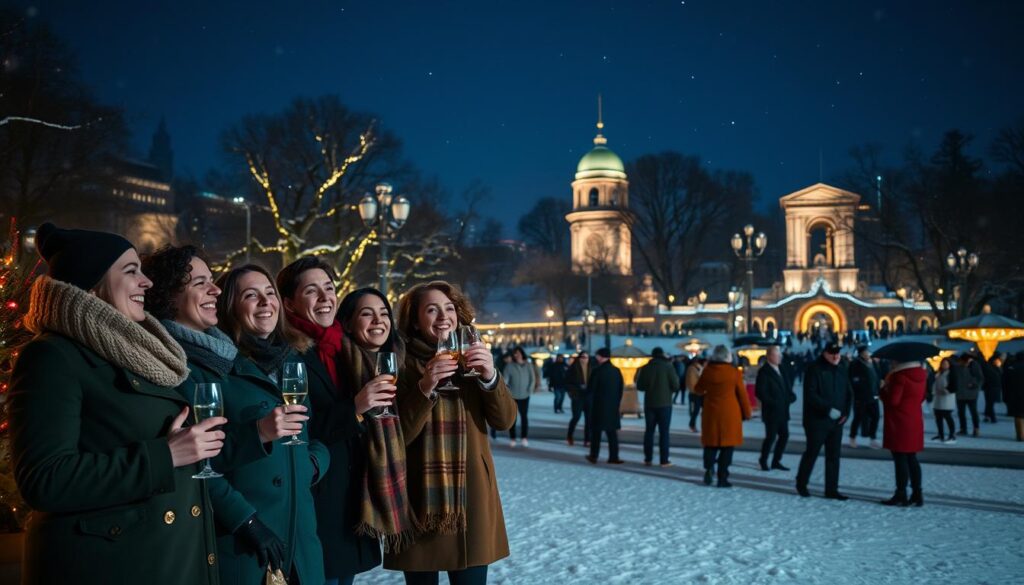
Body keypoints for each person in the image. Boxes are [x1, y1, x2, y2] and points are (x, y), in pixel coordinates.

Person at [9, 224, 223, 583]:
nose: (147, 282)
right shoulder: (51, 356)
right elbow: (44, 479)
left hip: (165, 559)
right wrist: (165, 456)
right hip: (111, 565)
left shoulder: (133, 353)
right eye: (130, 271)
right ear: (92, 284)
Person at [278, 258, 398, 584]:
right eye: (312, 291)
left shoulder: (341, 346)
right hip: (317, 502)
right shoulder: (285, 352)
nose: (325, 298)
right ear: (289, 302)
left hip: (348, 501)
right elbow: (297, 428)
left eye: (329, 289)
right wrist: (356, 407)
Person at [389, 281, 517, 585]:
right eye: (431, 310)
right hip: (421, 502)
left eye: (449, 308)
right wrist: (424, 387)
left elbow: (505, 420)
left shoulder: (472, 360)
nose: (443, 316)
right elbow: (397, 437)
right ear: (415, 321)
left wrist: (490, 377)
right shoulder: (401, 364)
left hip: (471, 499)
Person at [215, 265, 330, 585]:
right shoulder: (219, 368)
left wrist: (314, 464)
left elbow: (316, 433)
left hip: (301, 540)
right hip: (247, 543)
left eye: (270, 294)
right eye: (251, 295)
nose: (265, 302)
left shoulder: (294, 359)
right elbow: (202, 462)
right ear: (229, 306)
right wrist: (258, 433)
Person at [796, 343, 853, 500]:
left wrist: (846, 413)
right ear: (824, 353)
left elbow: (849, 393)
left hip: (837, 421)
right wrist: (828, 409)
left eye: (838, 353)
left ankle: (832, 489)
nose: (836, 356)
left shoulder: (842, 368)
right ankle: (801, 484)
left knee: (834, 456)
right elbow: (811, 394)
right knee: (812, 453)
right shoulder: (814, 369)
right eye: (832, 353)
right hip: (817, 421)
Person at [694, 345, 752, 487]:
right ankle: (722, 477)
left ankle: (708, 468)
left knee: (710, 444)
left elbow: (698, 389)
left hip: (711, 413)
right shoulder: (734, 373)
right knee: (727, 446)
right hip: (729, 413)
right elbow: (742, 395)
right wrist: (747, 413)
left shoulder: (707, 372)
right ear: (727, 357)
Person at [879, 360, 928, 506]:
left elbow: (893, 401)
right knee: (911, 457)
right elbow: (922, 398)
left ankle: (901, 493)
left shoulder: (899, 376)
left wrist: (883, 390)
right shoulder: (921, 375)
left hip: (899, 421)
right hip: (914, 420)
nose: (892, 364)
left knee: (900, 458)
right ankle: (917, 493)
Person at [636, 347, 680, 466]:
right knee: (664, 433)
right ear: (662, 354)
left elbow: (640, 386)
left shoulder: (646, 368)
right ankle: (664, 459)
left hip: (650, 403)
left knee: (649, 431)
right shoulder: (668, 367)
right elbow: (676, 385)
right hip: (665, 403)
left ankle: (648, 458)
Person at [755, 345, 796, 471]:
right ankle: (763, 460)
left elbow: (787, 386)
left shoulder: (782, 369)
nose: (780, 357)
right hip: (771, 411)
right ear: (770, 356)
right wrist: (772, 402)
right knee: (771, 437)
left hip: (783, 410)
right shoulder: (764, 371)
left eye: (780, 355)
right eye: (777, 355)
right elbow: (760, 392)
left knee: (784, 435)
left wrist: (791, 396)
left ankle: (776, 461)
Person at [586, 347, 625, 464]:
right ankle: (613, 456)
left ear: (601, 356)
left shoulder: (597, 371)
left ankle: (594, 455)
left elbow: (591, 390)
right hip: (612, 407)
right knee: (612, 434)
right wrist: (616, 402)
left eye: (597, 355)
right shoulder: (616, 371)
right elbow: (620, 389)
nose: (596, 357)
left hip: (598, 406)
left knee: (596, 433)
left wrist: (589, 404)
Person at [847, 346, 881, 448]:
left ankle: (873, 438)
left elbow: (878, 376)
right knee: (858, 418)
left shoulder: (873, 363)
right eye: (866, 352)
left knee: (876, 416)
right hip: (861, 397)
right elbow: (854, 379)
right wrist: (860, 387)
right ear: (861, 353)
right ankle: (852, 437)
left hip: (873, 395)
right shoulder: (856, 364)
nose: (868, 353)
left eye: (868, 351)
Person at [504, 346, 536, 447]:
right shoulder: (509, 366)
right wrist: (506, 390)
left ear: (522, 354)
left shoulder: (528, 365)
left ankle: (524, 438)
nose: (516, 355)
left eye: (518, 353)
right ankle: (513, 438)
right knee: (513, 418)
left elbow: (533, 379)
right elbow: (505, 380)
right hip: (513, 396)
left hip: (525, 395)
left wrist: (529, 390)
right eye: (514, 353)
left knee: (524, 417)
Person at [953, 353, 983, 437]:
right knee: (961, 412)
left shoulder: (974, 365)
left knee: (973, 412)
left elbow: (980, 378)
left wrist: (974, 385)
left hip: (971, 393)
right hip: (960, 393)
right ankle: (963, 429)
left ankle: (976, 429)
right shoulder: (957, 367)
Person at [566, 351, 591, 446]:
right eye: (582, 357)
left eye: (586, 357)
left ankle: (587, 439)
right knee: (576, 417)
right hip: (577, 396)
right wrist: (575, 390)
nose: (584, 359)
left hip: (588, 396)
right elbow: (567, 382)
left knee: (589, 419)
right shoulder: (573, 368)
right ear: (579, 358)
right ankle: (570, 436)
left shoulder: (592, 368)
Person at [931, 358, 958, 444]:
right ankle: (940, 435)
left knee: (947, 417)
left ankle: (952, 435)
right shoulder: (939, 373)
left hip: (947, 398)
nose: (944, 365)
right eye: (943, 363)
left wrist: (947, 390)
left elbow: (955, 385)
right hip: (938, 398)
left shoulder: (951, 373)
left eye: (946, 364)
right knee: (938, 417)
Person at [1002, 352, 1024, 441]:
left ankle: (1020, 435)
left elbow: (1005, 383)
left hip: (1015, 395)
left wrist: (1006, 397)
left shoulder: (1011, 368)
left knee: (1018, 416)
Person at [685, 357, 706, 432]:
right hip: (696, 393)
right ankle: (692, 425)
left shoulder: (695, 368)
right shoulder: (694, 369)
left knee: (697, 411)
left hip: (699, 392)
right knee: (695, 411)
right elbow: (691, 382)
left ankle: (695, 425)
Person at [981, 355, 1003, 423]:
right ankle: (992, 417)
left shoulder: (994, 368)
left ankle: (987, 416)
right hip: (991, 388)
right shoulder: (991, 369)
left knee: (989, 403)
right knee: (990, 403)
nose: (999, 362)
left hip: (992, 388)